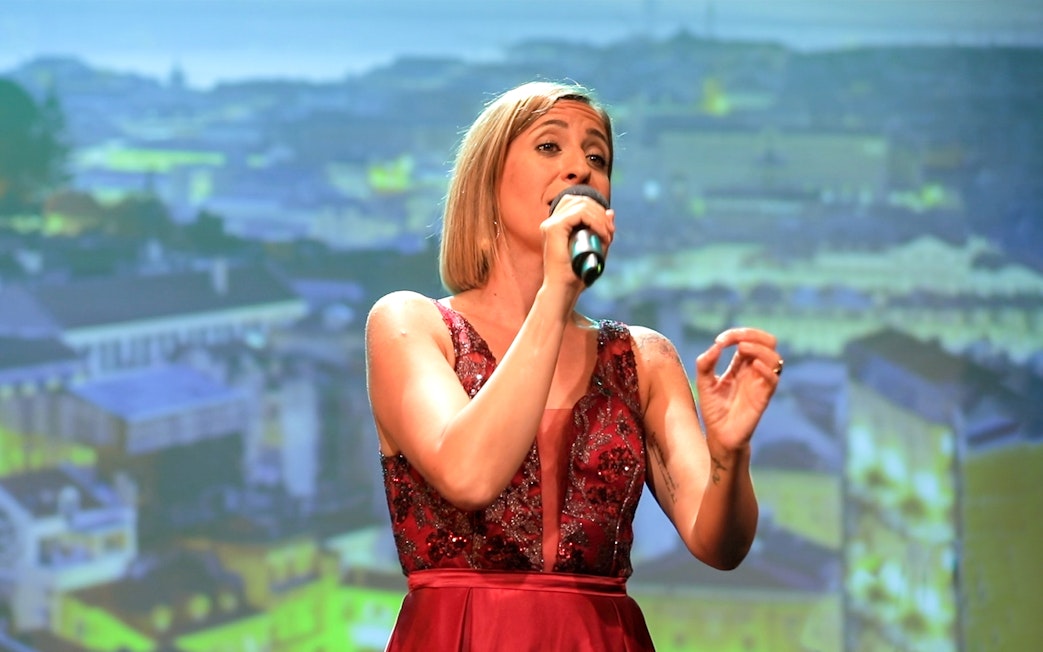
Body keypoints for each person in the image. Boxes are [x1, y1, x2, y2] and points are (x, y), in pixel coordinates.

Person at [365, 80, 783, 651]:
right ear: (487, 178)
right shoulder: (410, 325)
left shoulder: (643, 359)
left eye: (596, 157)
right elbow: (468, 476)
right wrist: (555, 295)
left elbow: (720, 545)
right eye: (548, 147)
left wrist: (730, 453)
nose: (578, 170)